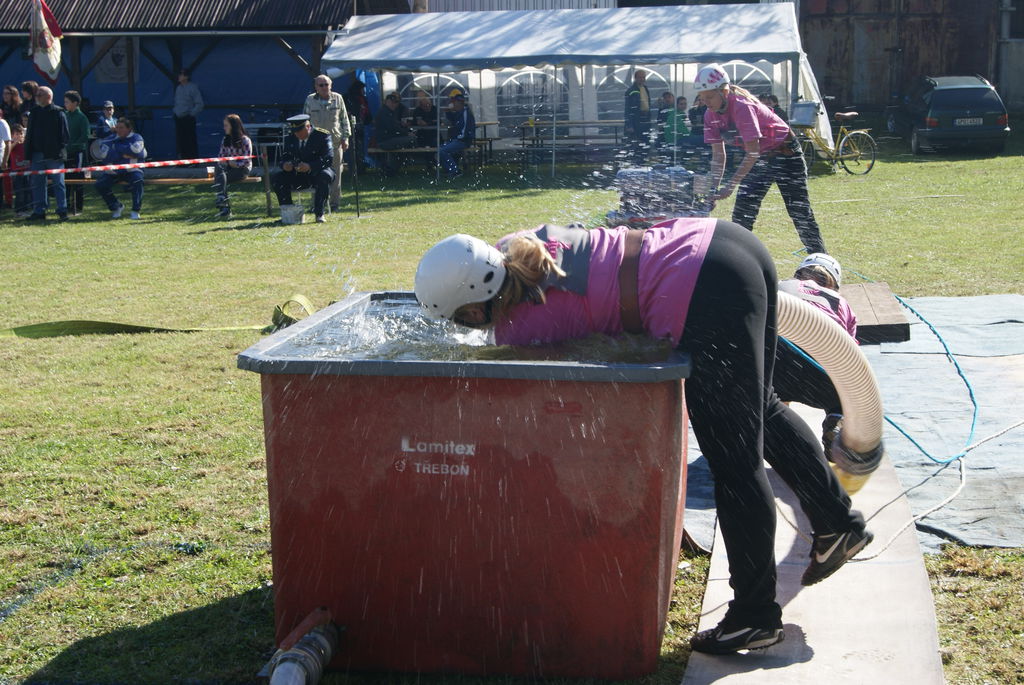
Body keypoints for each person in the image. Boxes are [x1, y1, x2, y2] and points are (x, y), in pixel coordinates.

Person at [414, 219, 872, 654]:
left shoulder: (524, 327)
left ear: (473, 307)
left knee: (735, 465)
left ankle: (754, 617)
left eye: (461, 319)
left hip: (702, 291)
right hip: (724, 244)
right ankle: (837, 524)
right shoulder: (519, 245)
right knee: (763, 409)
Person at [696, 63, 827, 254]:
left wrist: (730, 186)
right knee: (742, 213)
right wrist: (713, 189)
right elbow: (718, 155)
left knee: (799, 211)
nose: (706, 102)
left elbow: (752, 152)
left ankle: (820, 260)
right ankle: (738, 261)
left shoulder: (742, 106)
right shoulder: (710, 115)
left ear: (724, 92)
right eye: (702, 97)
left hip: (785, 153)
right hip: (760, 158)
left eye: (709, 97)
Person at [773, 253, 856, 454]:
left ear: (798, 274)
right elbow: (852, 355)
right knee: (847, 396)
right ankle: (836, 421)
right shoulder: (840, 302)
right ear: (834, 284)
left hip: (775, 369)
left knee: (771, 395)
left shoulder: (778, 287)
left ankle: (778, 426)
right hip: (821, 377)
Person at [271, 114, 334, 223]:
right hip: (298, 175)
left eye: (300, 131)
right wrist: (285, 165)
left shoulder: (322, 135)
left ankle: (319, 214)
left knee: (324, 176)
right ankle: (288, 213)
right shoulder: (290, 138)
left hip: (317, 173)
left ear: (308, 127)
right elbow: (284, 158)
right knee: (277, 178)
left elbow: (328, 159)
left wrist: (310, 166)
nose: (297, 134)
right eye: (295, 132)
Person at [303, 74, 351, 212]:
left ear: (331, 85)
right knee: (315, 174)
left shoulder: (338, 98)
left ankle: (334, 204)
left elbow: (344, 119)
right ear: (316, 87)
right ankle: (316, 205)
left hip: (335, 143)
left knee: (336, 175)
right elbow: (305, 121)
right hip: (316, 144)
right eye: (321, 85)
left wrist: (346, 138)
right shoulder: (310, 100)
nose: (324, 87)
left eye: (326, 84)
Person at [24, 86, 68, 222]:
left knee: (58, 183)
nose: (36, 97)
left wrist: (59, 151)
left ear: (48, 97)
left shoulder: (58, 112)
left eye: (39, 95)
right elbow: (29, 134)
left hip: (54, 155)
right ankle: (39, 211)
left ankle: (62, 210)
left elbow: (65, 135)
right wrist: (28, 153)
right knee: (37, 183)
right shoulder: (34, 112)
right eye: (36, 95)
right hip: (37, 154)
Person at [94, 118, 146, 220]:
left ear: (129, 128)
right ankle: (116, 206)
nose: (118, 130)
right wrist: (125, 153)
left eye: (121, 128)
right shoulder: (110, 138)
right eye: (117, 127)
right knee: (100, 185)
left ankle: (135, 210)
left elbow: (138, 152)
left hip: (133, 170)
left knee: (138, 181)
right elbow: (104, 156)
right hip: (114, 171)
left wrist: (116, 148)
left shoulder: (137, 137)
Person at [213, 114, 253, 218]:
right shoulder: (225, 139)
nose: (224, 128)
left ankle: (224, 206)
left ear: (233, 126)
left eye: (226, 125)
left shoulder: (245, 140)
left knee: (220, 179)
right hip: (228, 169)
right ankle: (222, 199)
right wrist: (227, 162)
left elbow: (247, 161)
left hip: (242, 170)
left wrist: (236, 164)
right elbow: (221, 157)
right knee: (219, 171)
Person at [373, 91, 416, 176]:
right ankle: (392, 169)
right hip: (385, 141)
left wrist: (404, 131)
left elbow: (394, 127)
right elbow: (393, 128)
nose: (394, 104)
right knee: (412, 140)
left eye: (396, 103)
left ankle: (391, 169)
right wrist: (407, 133)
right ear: (387, 102)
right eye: (392, 102)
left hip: (387, 140)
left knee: (405, 146)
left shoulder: (387, 111)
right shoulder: (385, 112)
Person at [63, 90, 90, 216]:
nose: (65, 104)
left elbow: (85, 135)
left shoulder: (82, 117)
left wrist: (73, 145)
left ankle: (78, 207)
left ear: (75, 103)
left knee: (78, 180)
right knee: (66, 180)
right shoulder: (65, 115)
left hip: (78, 153)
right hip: (66, 153)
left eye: (67, 102)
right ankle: (66, 205)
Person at [439, 88, 475, 178]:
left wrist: (457, 139)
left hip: (463, 140)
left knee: (442, 151)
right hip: (458, 139)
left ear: (459, 103)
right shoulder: (459, 112)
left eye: (454, 102)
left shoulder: (465, 113)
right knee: (440, 149)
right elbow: (452, 119)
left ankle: (454, 171)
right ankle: (450, 170)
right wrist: (448, 112)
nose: (452, 104)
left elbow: (465, 130)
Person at [173, 68, 203, 159]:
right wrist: (175, 112)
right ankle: (183, 160)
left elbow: (200, 104)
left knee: (190, 140)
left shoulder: (192, 87)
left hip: (188, 118)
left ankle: (193, 160)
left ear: (186, 76)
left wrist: (191, 114)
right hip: (179, 118)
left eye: (181, 74)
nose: (179, 76)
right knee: (181, 140)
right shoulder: (178, 88)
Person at [623, 70, 651, 164]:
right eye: (640, 77)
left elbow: (646, 104)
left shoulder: (645, 88)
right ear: (635, 78)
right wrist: (629, 125)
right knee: (637, 144)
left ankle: (643, 161)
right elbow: (628, 109)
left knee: (645, 143)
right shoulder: (631, 91)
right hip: (636, 120)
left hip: (645, 119)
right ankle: (637, 163)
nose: (642, 79)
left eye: (643, 77)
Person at [8, 123, 32, 217]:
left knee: (27, 190)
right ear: (12, 135)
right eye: (16, 134)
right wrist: (15, 142)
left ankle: (26, 209)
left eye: (21, 134)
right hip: (16, 171)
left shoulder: (25, 143)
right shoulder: (11, 143)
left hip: (26, 169)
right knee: (19, 191)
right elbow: (8, 150)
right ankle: (19, 210)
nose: (19, 136)